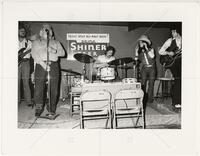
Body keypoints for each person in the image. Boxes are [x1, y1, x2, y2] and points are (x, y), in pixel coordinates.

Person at [31, 24, 65, 117]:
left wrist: (53, 50)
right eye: (44, 29)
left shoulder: (56, 42)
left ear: (51, 32)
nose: (47, 30)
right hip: (40, 64)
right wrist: (43, 64)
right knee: (38, 88)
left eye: (49, 29)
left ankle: (51, 108)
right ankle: (38, 108)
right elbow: (34, 54)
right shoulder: (36, 42)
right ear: (41, 32)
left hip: (54, 65)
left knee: (54, 89)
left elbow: (63, 53)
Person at [159, 26, 182, 109]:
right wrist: (169, 53)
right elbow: (160, 51)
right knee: (178, 79)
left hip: (182, 61)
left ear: (178, 31)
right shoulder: (170, 41)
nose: (172, 33)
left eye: (173, 32)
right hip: (173, 62)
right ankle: (177, 102)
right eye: (172, 32)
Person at [135, 35, 156, 103]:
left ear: (145, 43)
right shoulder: (138, 50)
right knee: (143, 84)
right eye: (140, 42)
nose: (140, 43)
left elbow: (152, 56)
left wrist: (146, 48)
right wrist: (137, 51)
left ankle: (150, 99)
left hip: (152, 68)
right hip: (144, 68)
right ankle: (143, 99)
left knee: (151, 84)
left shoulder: (151, 49)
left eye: (142, 42)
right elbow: (136, 58)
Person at [18, 26, 33, 106]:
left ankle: (29, 101)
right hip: (16, 63)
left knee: (26, 83)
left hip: (26, 63)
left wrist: (27, 52)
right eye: (21, 31)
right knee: (16, 83)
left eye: (24, 31)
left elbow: (32, 50)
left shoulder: (29, 42)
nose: (23, 32)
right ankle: (17, 100)